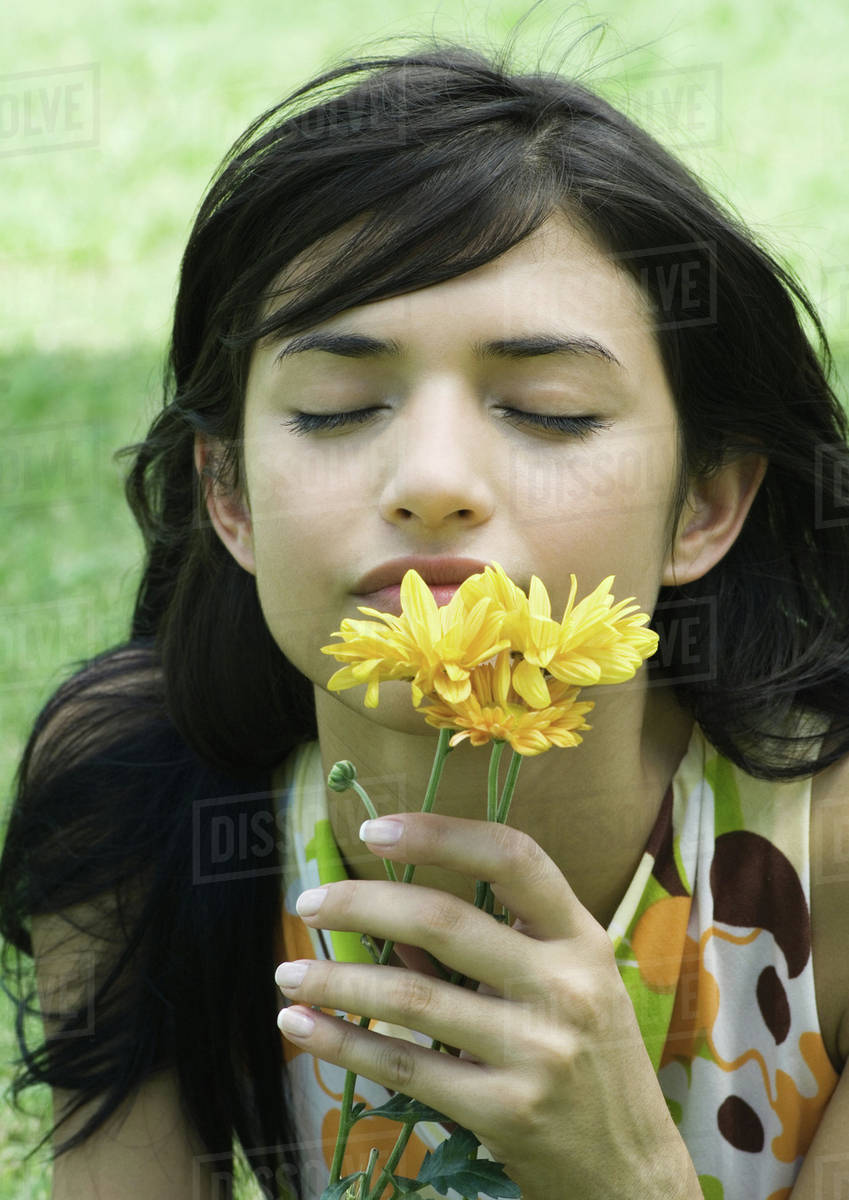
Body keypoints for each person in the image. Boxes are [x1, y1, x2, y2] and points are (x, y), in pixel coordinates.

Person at [2, 30, 848, 1200]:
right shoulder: (139, 797)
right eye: (341, 407)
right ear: (228, 496)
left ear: (703, 504)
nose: (433, 478)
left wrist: (625, 1172)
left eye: (547, 411)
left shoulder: (832, 856)